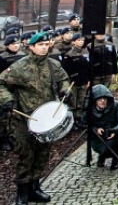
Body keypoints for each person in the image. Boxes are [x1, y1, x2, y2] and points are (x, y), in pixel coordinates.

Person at [0, 31, 71, 205]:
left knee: (42, 153)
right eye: (40, 45)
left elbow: (64, 80)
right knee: (26, 155)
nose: (44, 48)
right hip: (23, 119)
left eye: (46, 45)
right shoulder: (19, 66)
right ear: (31, 46)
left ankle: (35, 188)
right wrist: (7, 99)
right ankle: (22, 193)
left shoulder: (53, 64)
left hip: (46, 120)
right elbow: (1, 83)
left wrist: (65, 90)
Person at [81, 84, 118, 169]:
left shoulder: (116, 106)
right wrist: (96, 129)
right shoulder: (89, 110)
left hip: (113, 134)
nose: (103, 101)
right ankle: (102, 157)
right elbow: (83, 124)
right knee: (106, 150)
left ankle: (115, 160)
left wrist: (115, 130)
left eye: (105, 98)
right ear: (95, 100)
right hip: (98, 139)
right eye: (100, 99)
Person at [0, 35, 25, 153]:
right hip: (5, 89)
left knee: (15, 115)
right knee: (4, 118)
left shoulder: (23, 55)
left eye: (17, 43)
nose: (16, 45)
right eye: (13, 43)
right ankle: (4, 139)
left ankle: (12, 137)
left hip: (17, 88)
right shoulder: (3, 58)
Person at [60, 33, 90, 123]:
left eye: (82, 40)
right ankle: (72, 120)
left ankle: (79, 119)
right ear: (74, 42)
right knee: (73, 102)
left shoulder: (86, 52)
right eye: (79, 40)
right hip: (73, 82)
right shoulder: (69, 54)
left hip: (83, 81)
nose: (81, 42)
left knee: (81, 101)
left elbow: (87, 67)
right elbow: (66, 70)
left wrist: (88, 79)